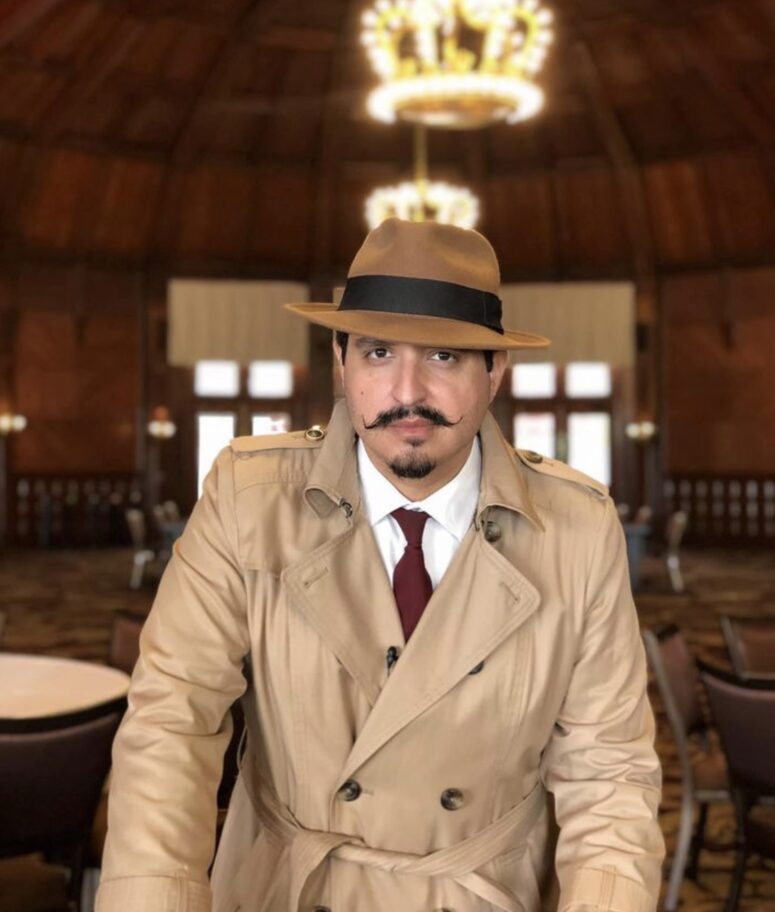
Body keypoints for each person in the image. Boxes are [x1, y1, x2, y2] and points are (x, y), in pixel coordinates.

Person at [96, 218, 664, 912]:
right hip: (293, 892)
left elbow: (610, 771)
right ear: (341, 363)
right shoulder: (248, 500)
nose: (407, 391)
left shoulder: (578, 528)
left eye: (445, 356)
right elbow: (171, 721)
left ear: (495, 372)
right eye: (378, 352)